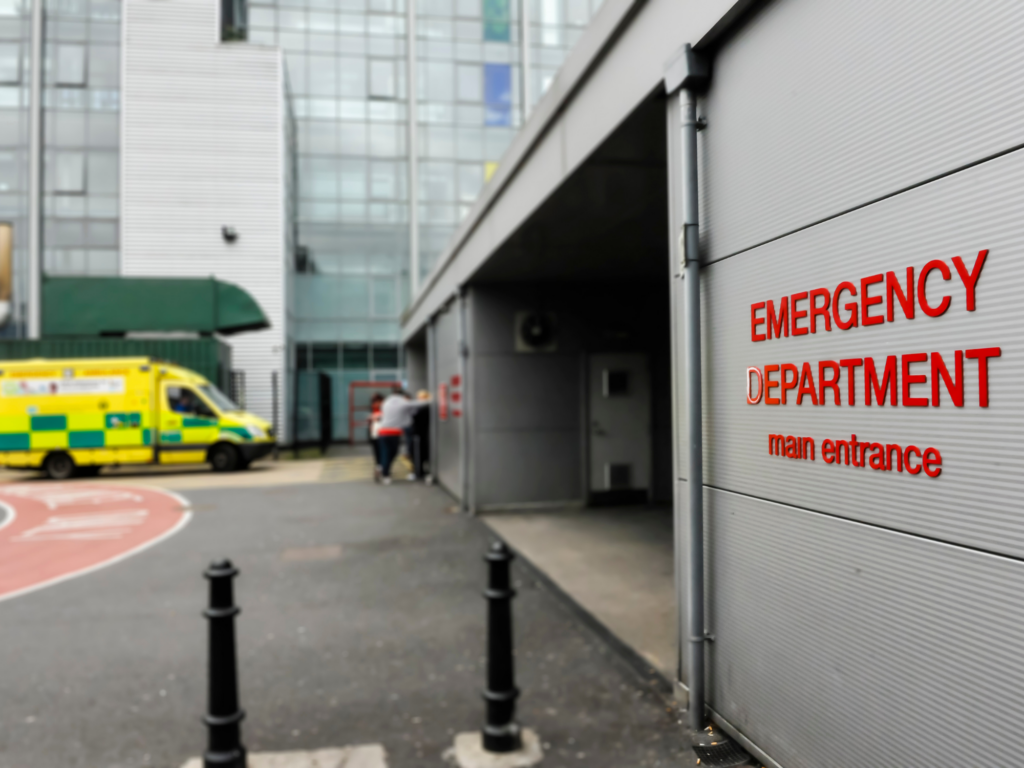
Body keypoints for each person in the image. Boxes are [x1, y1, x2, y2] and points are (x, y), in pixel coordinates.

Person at [377, 386, 430, 485]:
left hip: (382, 431)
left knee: (385, 452)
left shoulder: (386, 402)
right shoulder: (402, 402)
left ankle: (382, 469)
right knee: (391, 453)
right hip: (393, 433)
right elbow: (417, 404)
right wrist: (433, 400)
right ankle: (385, 473)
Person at [410, 389, 432, 482]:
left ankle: (419, 473)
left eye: (421, 398)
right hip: (421, 434)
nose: (419, 400)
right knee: (420, 453)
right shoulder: (422, 408)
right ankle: (420, 471)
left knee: (418, 454)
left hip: (420, 435)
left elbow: (416, 419)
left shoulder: (424, 408)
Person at [368, 392, 384, 482]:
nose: (375, 404)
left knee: (382, 451)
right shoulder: (373, 410)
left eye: (377, 401)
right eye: (374, 402)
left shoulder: (384, 410)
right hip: (375, 433)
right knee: (377, 451)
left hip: (383, 432)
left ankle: (381, 467)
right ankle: (379, 467)